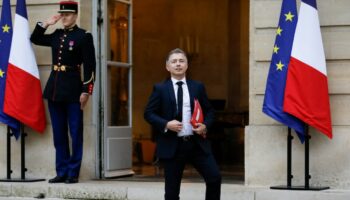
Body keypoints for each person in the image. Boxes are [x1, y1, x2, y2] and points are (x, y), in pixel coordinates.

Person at [30, 0, 96, 184]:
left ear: (75, 15)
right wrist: (47, 23)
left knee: (75, 133)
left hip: (74, 91)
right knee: (59, 134)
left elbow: (90, 66)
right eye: (62, 14)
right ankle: (62, 171)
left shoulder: (84, 36)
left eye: (67, 15)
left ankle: (73, 172)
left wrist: (86, 91)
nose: (64, 18)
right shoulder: (56, 34)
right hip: (54, 90)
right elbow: (35, 38)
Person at [144, 48, 221, 200]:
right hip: (173, 145)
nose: (178, 64)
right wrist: (166, 124)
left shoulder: (197, 87)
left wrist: (205, 125)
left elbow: (210, 111)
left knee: (214, 178)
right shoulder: (160, 89)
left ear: (187, 65)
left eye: (181, 61)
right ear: (167, 66)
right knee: (172, 193)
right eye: (174, 61)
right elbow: (149, 114)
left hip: (196, 143)